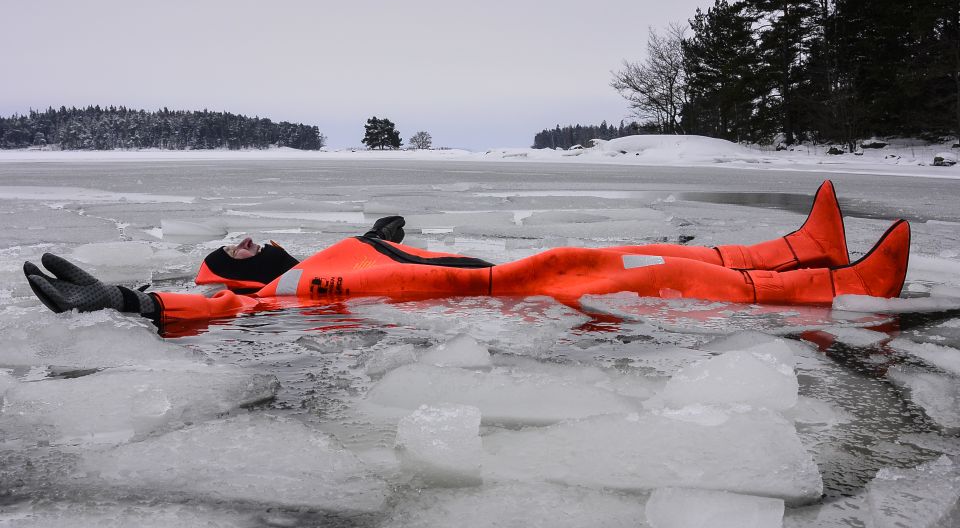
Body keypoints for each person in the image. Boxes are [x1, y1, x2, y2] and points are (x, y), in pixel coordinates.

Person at [23, 181, 911, 333]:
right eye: (236, 247)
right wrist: (139, 304)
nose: (249, 239)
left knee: (632, 251)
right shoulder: (281, 294)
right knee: (651, 273)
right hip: (500, 294)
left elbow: (386, 249)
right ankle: (829, 287)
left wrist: (384, 234)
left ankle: (799, 250)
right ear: (235, 270)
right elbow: (224, 308)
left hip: (504, 271)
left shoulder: (328, 253)